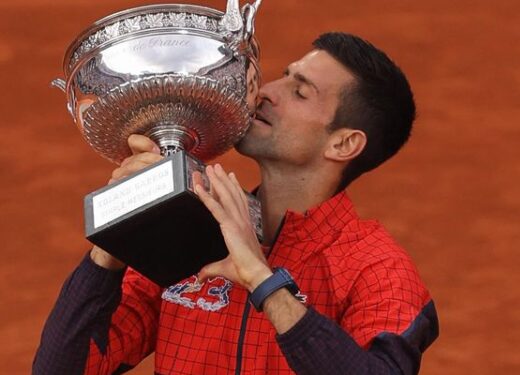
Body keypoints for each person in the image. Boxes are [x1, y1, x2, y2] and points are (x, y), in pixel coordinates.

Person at [33, 32, 439, 374]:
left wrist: (264, 283)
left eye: (299, 92)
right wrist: (118, 236)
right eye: (283, 77)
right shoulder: (189, 228)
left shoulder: (377, 269)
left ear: (344, 143)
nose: (264, 93)